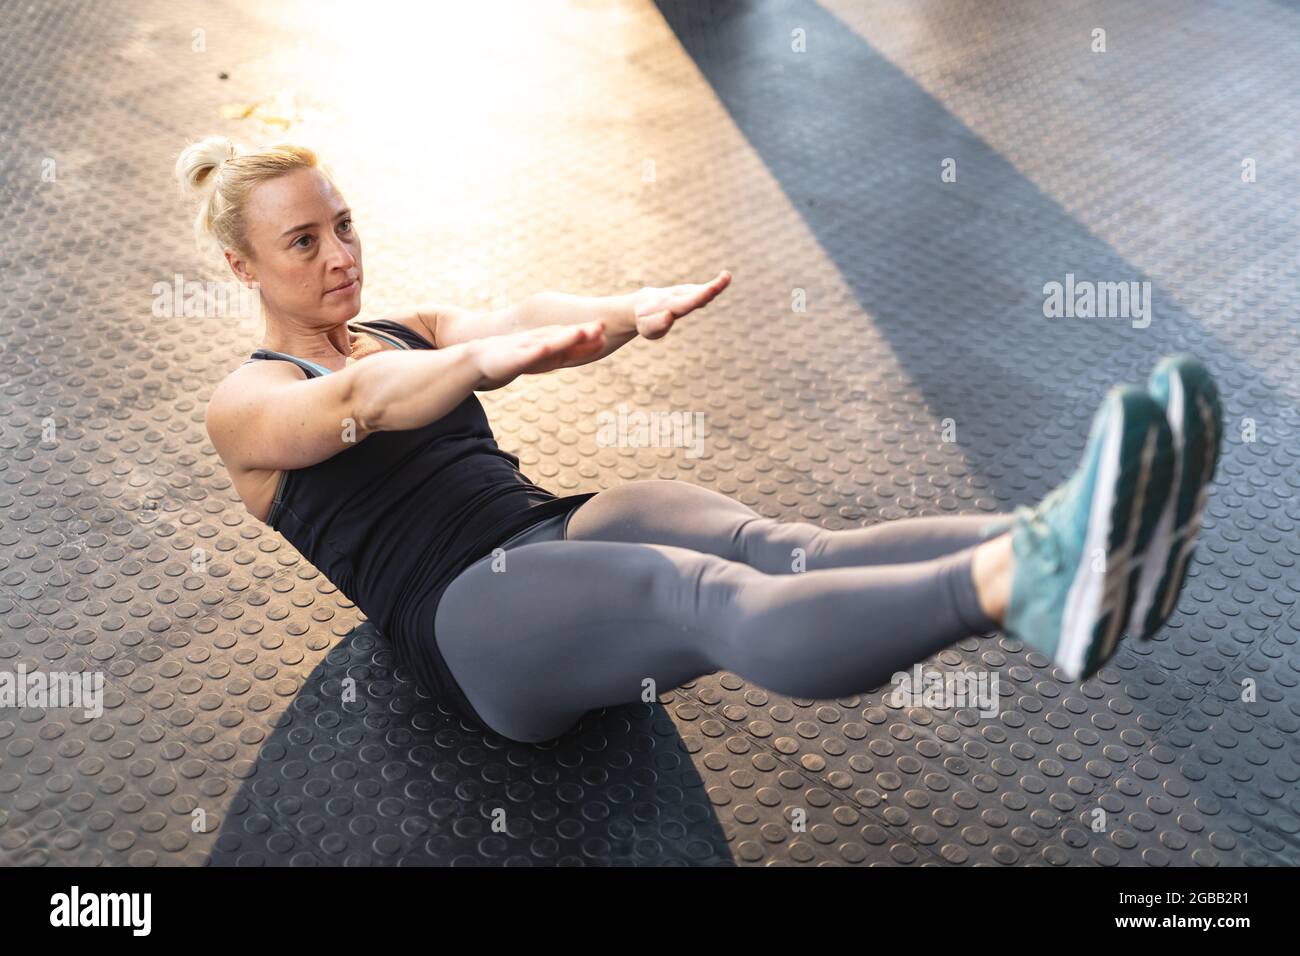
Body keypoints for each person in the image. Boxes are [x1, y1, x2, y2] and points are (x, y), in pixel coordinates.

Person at [182, 136, 1223, 744]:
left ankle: (1094, 533)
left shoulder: (407, 326)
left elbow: (512, 315)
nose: (341, 254)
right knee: (703, 596)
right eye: (304, 241)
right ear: (241, 267)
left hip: (543, 526)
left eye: (346, 223)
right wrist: (478, 365)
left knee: (785, 547)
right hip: (464, 614)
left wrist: (630, 307)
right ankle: (1022, 585)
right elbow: (360, 401)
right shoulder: (248, 403)